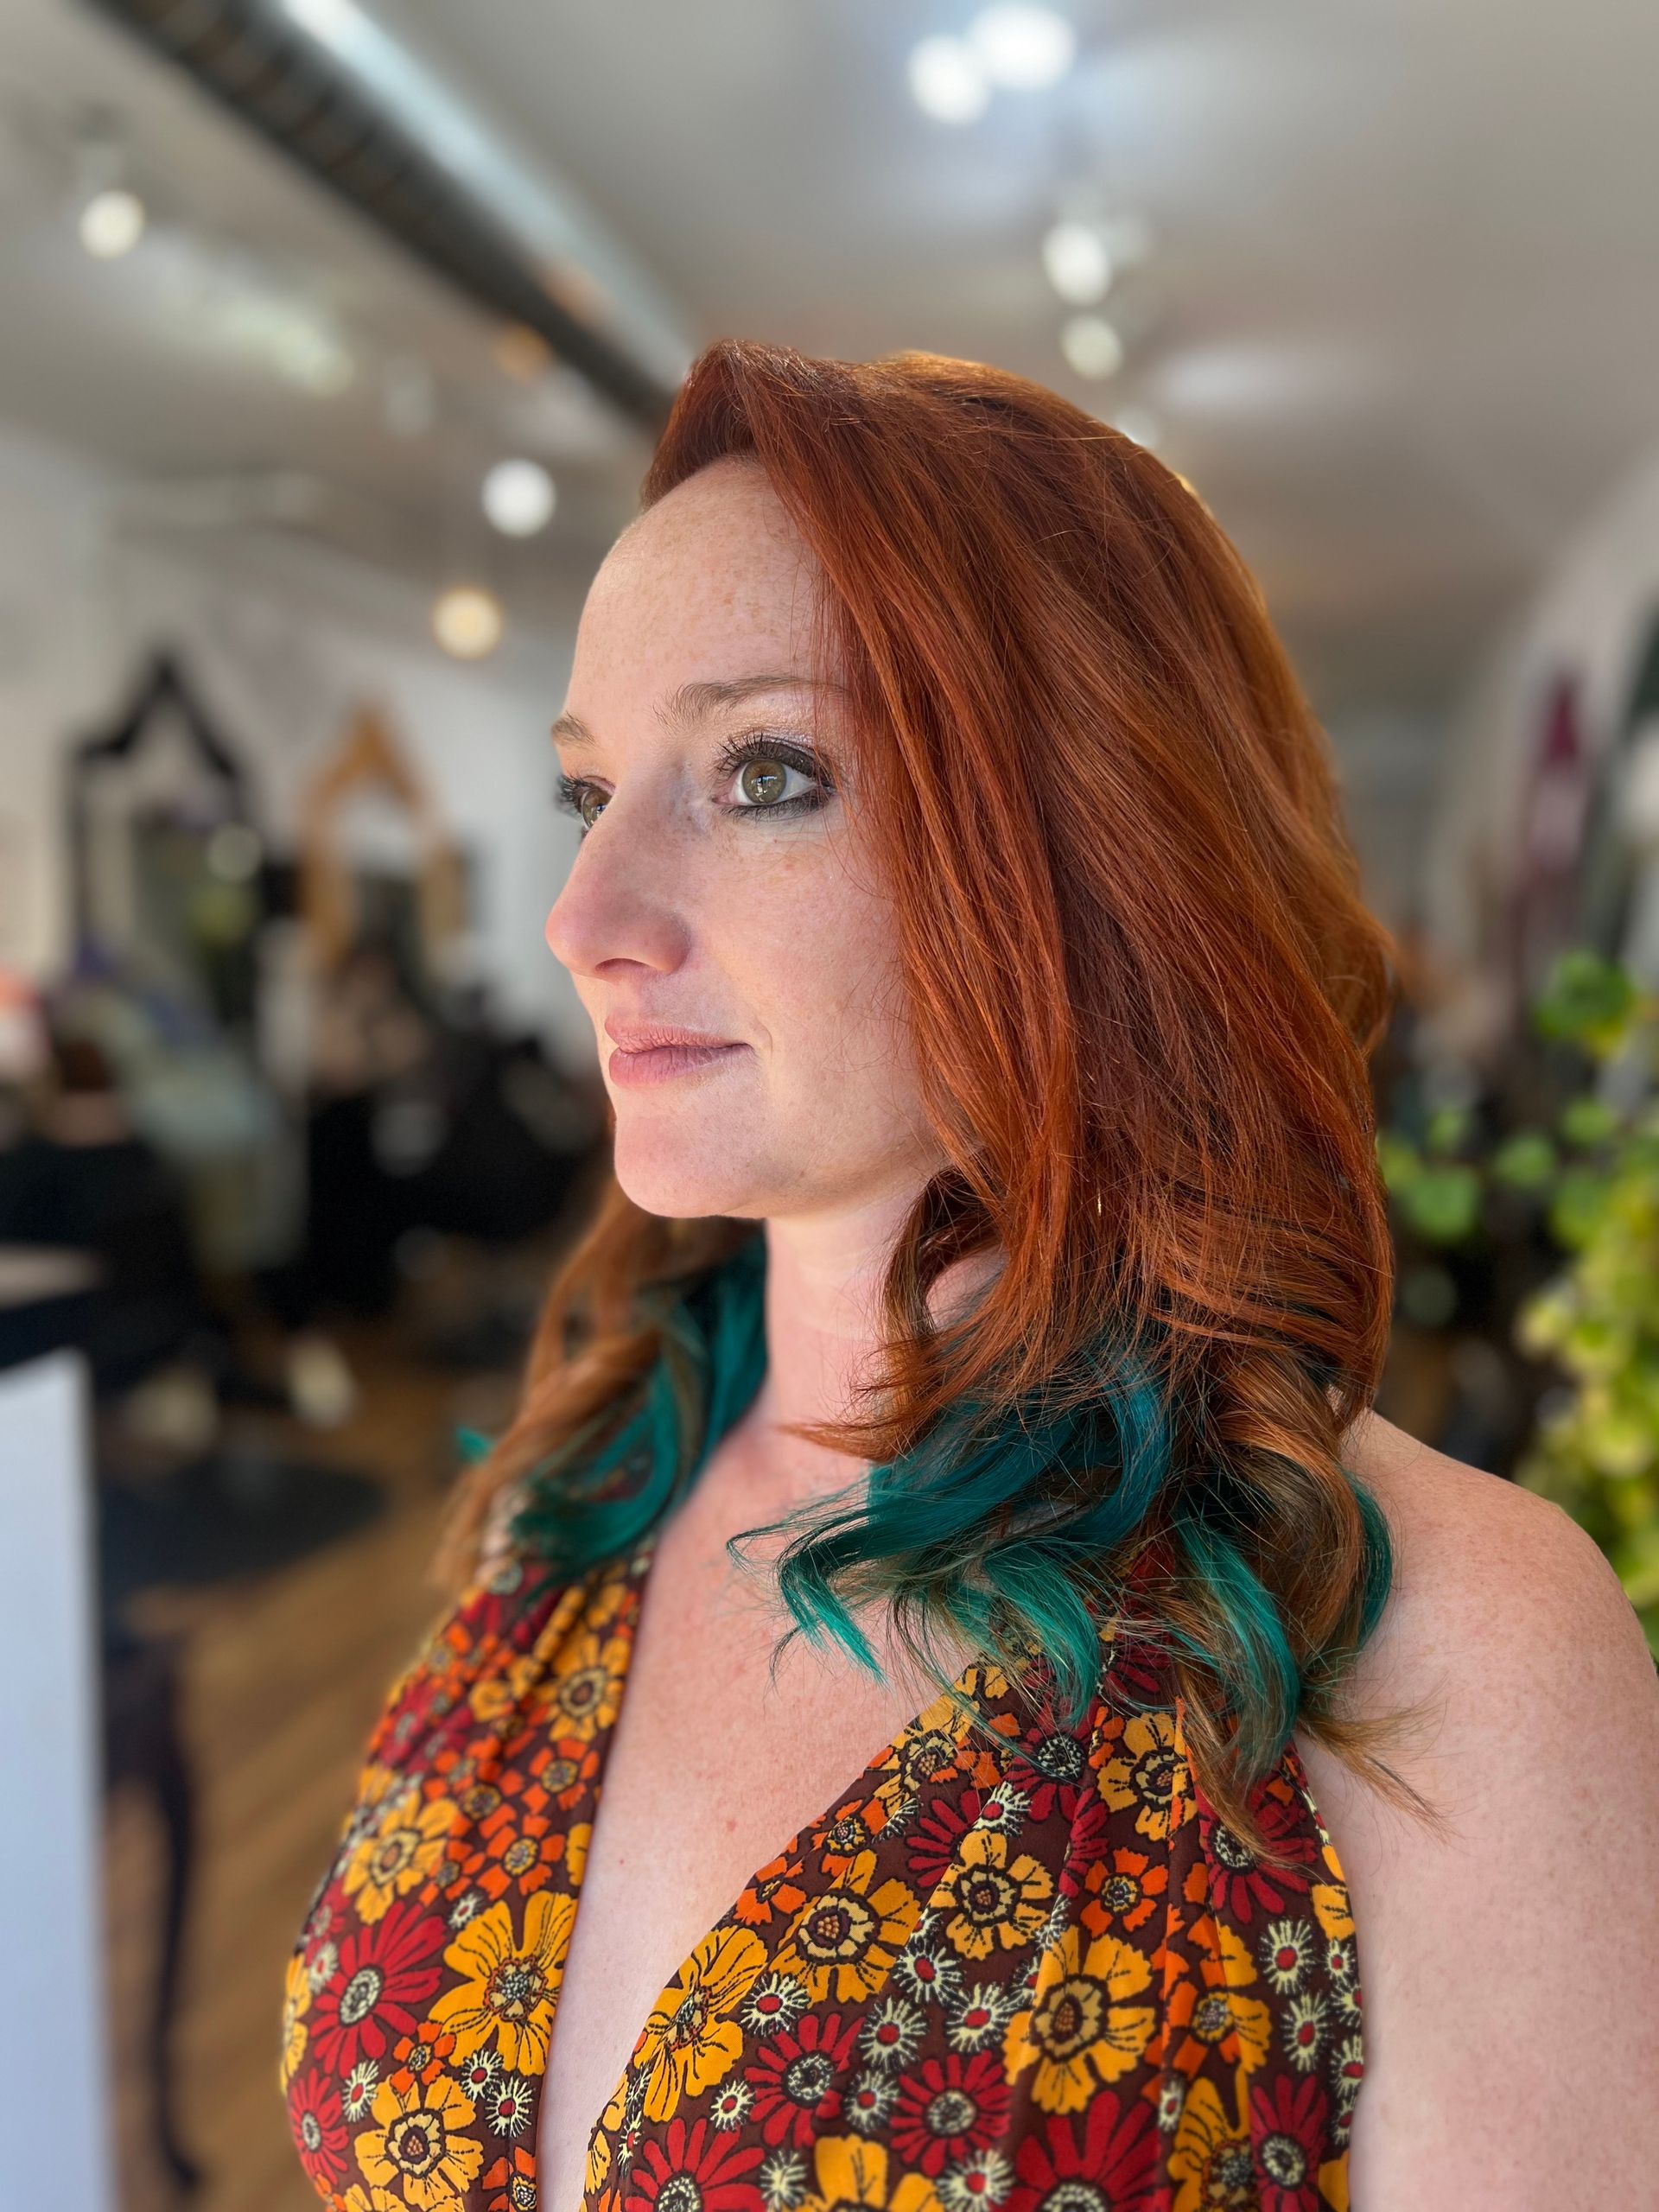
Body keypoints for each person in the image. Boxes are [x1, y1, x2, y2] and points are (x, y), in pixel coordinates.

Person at [282, 342, 1659, 2212]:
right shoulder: (578, 1484)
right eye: (588, 791)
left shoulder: (1447, 1640)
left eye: (765, 770)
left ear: (1099, 842)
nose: (585, 918)